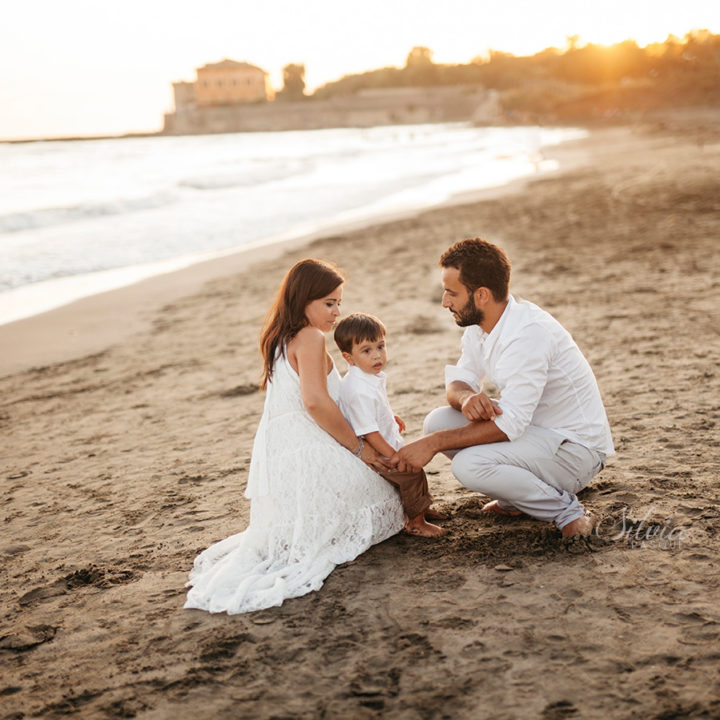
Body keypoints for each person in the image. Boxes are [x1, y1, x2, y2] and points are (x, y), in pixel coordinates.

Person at [184, 259, 404, 614]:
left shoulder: (278, 337)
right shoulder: (311, 337)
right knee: (389, 502)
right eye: (328, 303)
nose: (336, 312)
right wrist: (359, 447)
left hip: (280, 453)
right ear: (304, 300)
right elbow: (316, 404)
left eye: (339, 303)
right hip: (308, 446)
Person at [390, 238, 614, 538]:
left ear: (481, 295)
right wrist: (467, 397)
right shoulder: (480, 325)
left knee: (469, 465)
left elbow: (511, 424)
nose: (445, 302)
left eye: (451, 293)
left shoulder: (527, 335)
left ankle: (568, 512)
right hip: (538, 437)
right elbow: (459, 382)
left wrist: (433, 444)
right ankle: (518, 500)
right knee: (437, 421)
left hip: (575, 452)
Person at [334, 313, 447, 538]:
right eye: (367, 350)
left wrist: (389, 416)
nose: (377, 355)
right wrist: (394, 456)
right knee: (411, 473)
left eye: (381, 346)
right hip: (377, 453)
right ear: (349, 357)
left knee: (416, 471)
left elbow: (371, 411)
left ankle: (422, 509)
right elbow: (368, 432)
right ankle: (415, 522)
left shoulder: (367, 377)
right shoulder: (358, 389)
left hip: (384, 441)